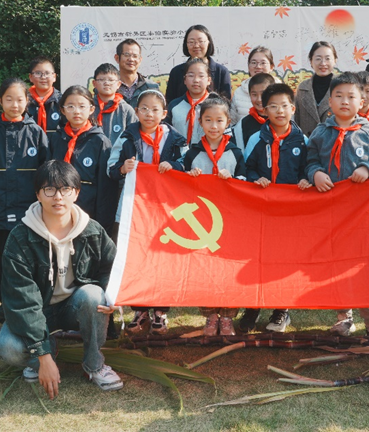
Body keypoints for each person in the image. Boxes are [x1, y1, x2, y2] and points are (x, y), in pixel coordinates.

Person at [0, 160, 123, 396]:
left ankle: (94, 365)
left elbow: (111, 267)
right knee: (8, 348)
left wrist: (112, 294)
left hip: (74, 306)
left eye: (65, 189)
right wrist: (42, 356)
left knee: (95, 295)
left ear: (76, 193)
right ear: (38, 194)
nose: (58, 197)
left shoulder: (92, 231)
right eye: (49, 189)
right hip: (37, 310)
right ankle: (43, 354)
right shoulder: (20, 238)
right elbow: (23, 302)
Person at [306, 72, 369, 337]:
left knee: (363, 265)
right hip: (331, 213)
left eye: (351, 96)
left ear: (362, 101)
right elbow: (310, 161)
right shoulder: (320, 133)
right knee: (336, 264)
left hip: (362, 213)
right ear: (330, 101)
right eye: (339, 96)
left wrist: (368, 168)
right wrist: (315, 173)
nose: (345, 101)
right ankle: (343, 315)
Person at [108, 89, 186, 335]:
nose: (149, 114)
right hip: (135, 206)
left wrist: (173, 165)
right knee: (136, 257)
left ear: (164, 113)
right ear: (136, 111)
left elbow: (187, 165)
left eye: (155, 110)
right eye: (144, 108)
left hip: (165, 207)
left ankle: (161, 311)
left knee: (163, 258)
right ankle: (139, 309)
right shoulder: (127, 137)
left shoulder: (176, 139)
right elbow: (110, 168)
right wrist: (123, 168)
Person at [241, 83, 312, 333]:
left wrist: (305, 179)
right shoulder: (256, 139)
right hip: (261, 211)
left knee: (285, 261)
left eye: (284, 106)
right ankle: (252, 307)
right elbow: (246, 168)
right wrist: (255, 178)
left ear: (293, 109)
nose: (279, 111)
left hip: (289, 213)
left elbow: (308, 168)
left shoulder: (302, 140)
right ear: (264, 110)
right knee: (257, 259)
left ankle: (281, 310)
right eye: (273, 106)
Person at [181, 95, 247, 336]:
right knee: (205, 266)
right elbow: (178, 181)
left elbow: (246, 180)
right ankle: (210, 315)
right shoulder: (191, 153)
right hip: (202, 220)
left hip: (230, 219)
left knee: (229, 267)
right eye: (208, 120)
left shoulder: (235, 153)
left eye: (219, 120)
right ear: (200, 122)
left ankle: (228, 316)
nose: (213, 125)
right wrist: (189, 176)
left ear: (228, 122)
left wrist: (234, 180)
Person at [0, 78, 48, 300]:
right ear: (0, 101)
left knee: (31, 254)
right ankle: (5, 304)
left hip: (31, 208)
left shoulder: (36, 132)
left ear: (27, 100)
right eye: (9, 99)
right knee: (6, 252)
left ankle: (32, 301)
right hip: (0, 206)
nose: (15, 105)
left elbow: (45, 174)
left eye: (19, 99)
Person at [48, 86, 118, 231]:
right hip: (58, 208)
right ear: (62, 110)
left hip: (88, 211)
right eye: (70, 106)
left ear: (91, 109)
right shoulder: (56, 138)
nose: (76, 111)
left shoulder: (100, 141)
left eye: (82, 106)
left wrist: (102, 223)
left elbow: (106, 188)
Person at [164, 25, 232, 103]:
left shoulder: (221, 72)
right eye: (191, 42)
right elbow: (170, 102)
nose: (196, 45)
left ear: (208, 42)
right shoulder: (176, 72)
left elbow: (226, 102)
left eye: (201, 41)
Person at [294, 41, 337, 135]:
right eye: (318, 59)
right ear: (311, 61)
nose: (323, 63)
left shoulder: (341, 87)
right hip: (307, 142)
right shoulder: (302, 88)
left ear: (335, 60)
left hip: (334, 141)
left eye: (327, 58)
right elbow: (297, 120)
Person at [166, 57, 211, 145]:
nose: (196, 80)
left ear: (209, 80)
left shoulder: (217, 106)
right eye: (191, 76)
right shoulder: (174, 105)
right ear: (185, 80)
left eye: (201, 76)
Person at [92, 63, 138, 144]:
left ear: (118, 84)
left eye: (111, 80)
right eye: (101, 80)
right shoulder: (88, 108)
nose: (106, 83)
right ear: (94, 83)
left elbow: (135, 137)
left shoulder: (126, 110)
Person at [230, 46, 278, 121]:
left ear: (271, 67)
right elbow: (232, 122)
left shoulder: (281, 91)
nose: (258, 66)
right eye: (253, 63)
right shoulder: (239, 93)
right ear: (248, 66)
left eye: (263, 63)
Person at [232, 72, 276, 152]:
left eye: (263, 94)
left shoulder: (281, 120)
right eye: (254, 95)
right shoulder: (243, 125)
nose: (259, 99)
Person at [114, 38, 160, 108]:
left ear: (140, 59)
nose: (131, 59)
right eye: (126, 55)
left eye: (135, 56)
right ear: (117, 58)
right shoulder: (108, 86)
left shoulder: (151, 87)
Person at [27, 56, 62, 134]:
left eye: (47, 73)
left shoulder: (62, 101)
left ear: (54, 77)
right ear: (30, 77)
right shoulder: (24, 101)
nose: (43, 77)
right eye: (38, 73)